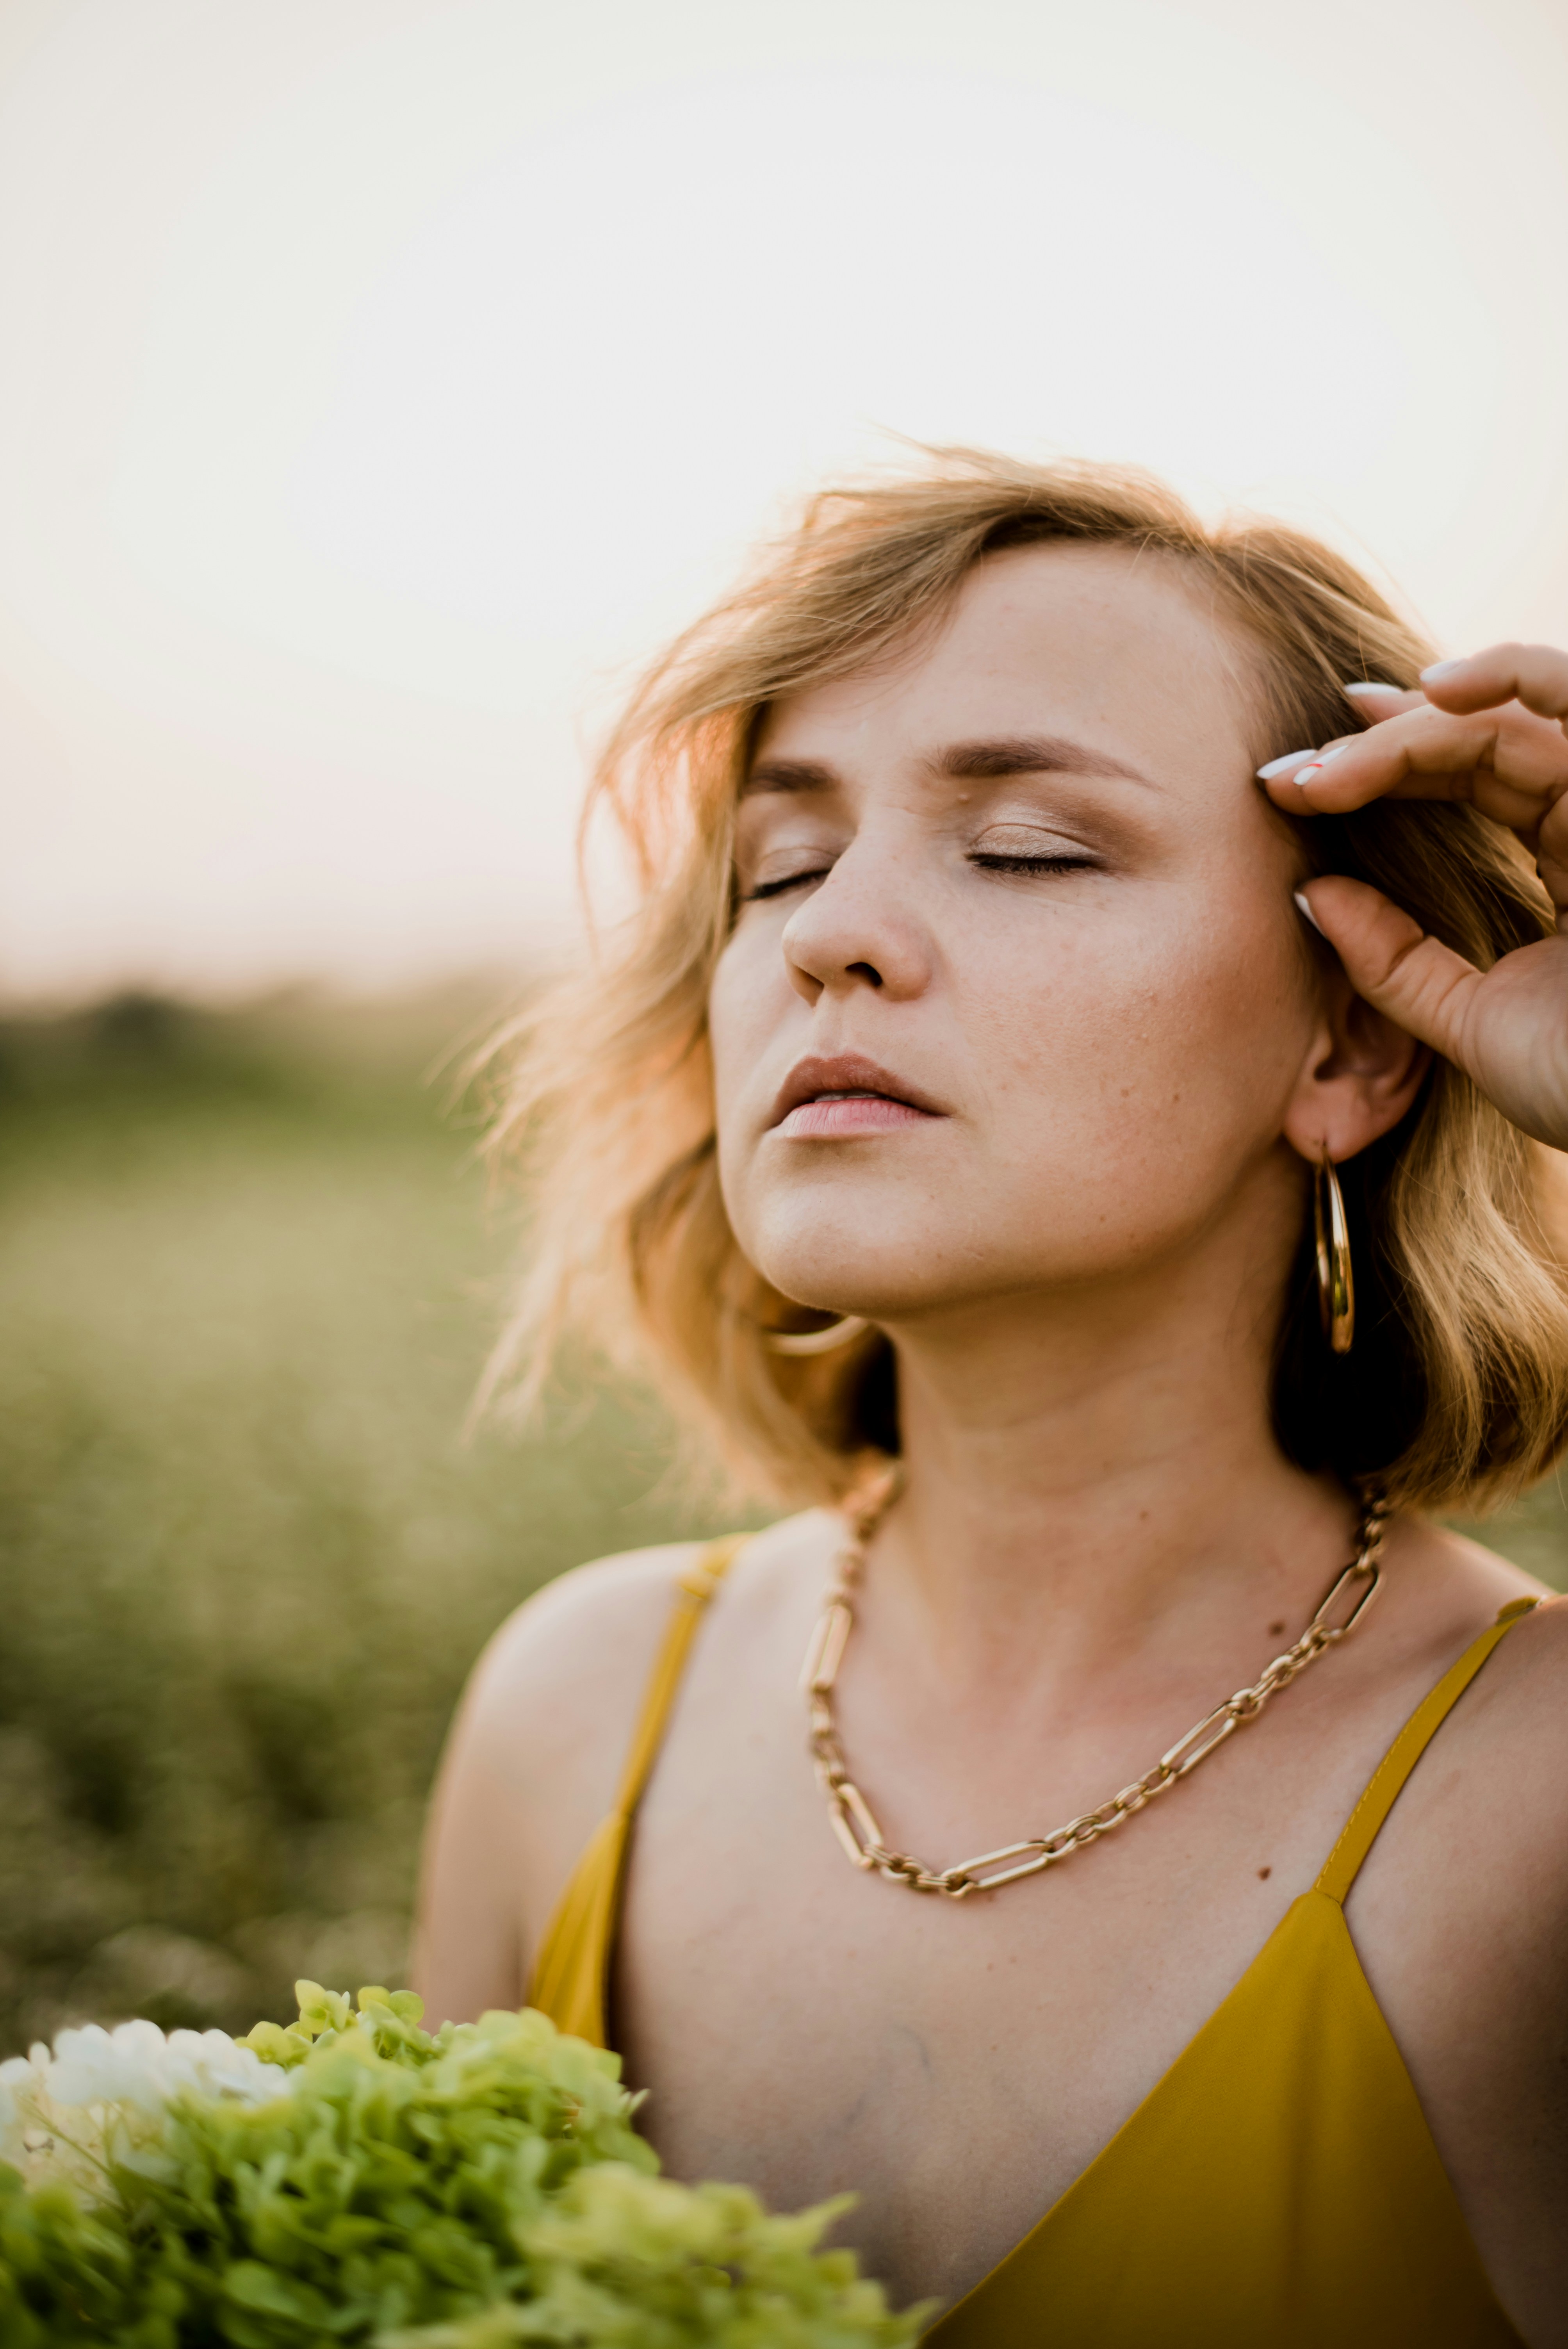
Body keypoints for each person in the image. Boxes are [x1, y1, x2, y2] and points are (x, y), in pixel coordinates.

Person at [415, 455, 1568, 2347]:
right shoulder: (571, 1713)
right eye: (780, 864)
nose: (827, 933)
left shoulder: (1531, 1806)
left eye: (1026, 846)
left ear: (1352, 1039)